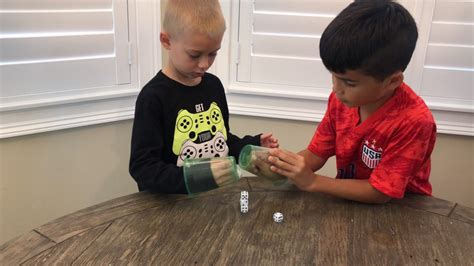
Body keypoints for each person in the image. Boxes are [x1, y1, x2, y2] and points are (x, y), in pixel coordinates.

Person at [266, 0, 436, 204]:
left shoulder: (414, 121)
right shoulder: (341, 101)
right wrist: (283, 166)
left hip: (403, 211)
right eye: (333, 76)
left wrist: (312, 182)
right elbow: (316, 154)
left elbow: (380, 193)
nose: (336, 88)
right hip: (350, 202)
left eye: (349, 82)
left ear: (392, 81)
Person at [129, 0, 278, 194]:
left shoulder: (213, 86)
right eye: (194, 55)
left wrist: (249, 146)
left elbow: (222, 141)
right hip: (168, 209)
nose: (204, 64)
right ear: (167, 41)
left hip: (212, 200)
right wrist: (194, 177)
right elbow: (142, 167)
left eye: (212, 54)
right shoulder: (153, 97)